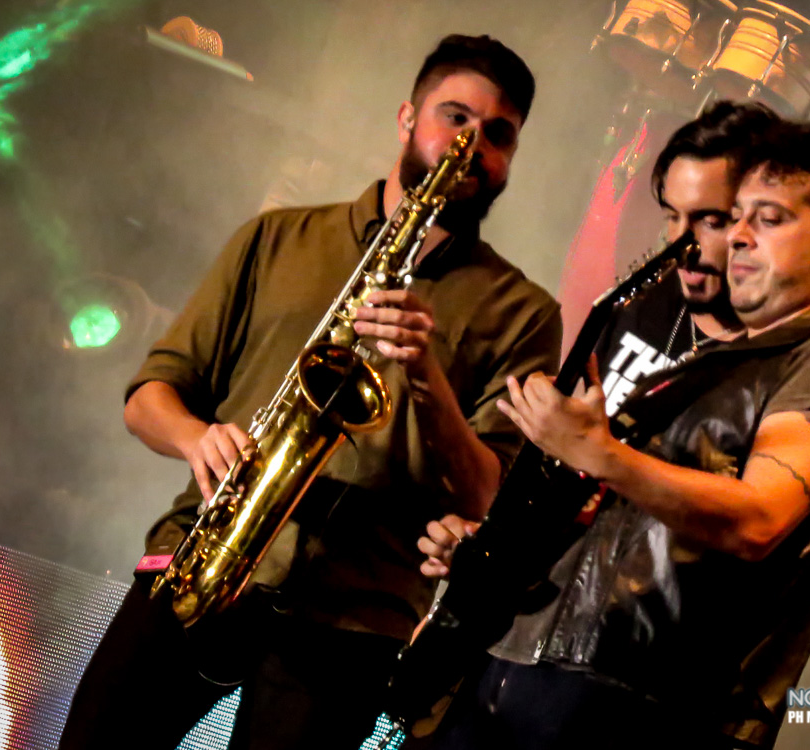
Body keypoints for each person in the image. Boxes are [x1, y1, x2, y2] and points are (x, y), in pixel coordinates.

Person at [58, 34, 562, 750]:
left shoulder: (525, 312)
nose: (470, 144)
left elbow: (485, 497)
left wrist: (425, 373)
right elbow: (149, 398)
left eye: (498, 134)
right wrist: (198, 438)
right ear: (406, 118)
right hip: (203, 556)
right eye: (455, 117)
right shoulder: (277, 239)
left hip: (355, 622)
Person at [420, 118, 810, 750]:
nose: (739, 237)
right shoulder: (706, 362)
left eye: (768, 219)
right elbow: (617, 528)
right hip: (522, 666)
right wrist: (495, 552)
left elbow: (758, 519)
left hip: (643, 707)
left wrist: (600, 453)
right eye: (737, 217)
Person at [419, 101, 779, 577]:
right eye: (672, 216)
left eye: (710, 221)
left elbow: (746, 529)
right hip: (550, 605)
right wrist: (490, 545)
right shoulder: (639, 304)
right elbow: (568, 489)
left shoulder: (780, 360)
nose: (681, 244)